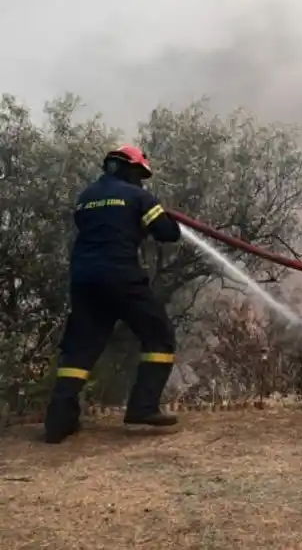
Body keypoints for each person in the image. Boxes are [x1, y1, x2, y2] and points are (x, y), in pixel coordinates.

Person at [43, 145, 183, 444]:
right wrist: (163, 218)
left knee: (80, 350)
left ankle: (58, 421)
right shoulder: (138, 196)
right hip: (121, 276)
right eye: (140, 174)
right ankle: (143, 407)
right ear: (130, 168)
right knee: (159, 336)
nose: (142, 181)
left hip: (83, 279)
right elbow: (167, 234)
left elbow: (102, 227)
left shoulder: (86, 198)